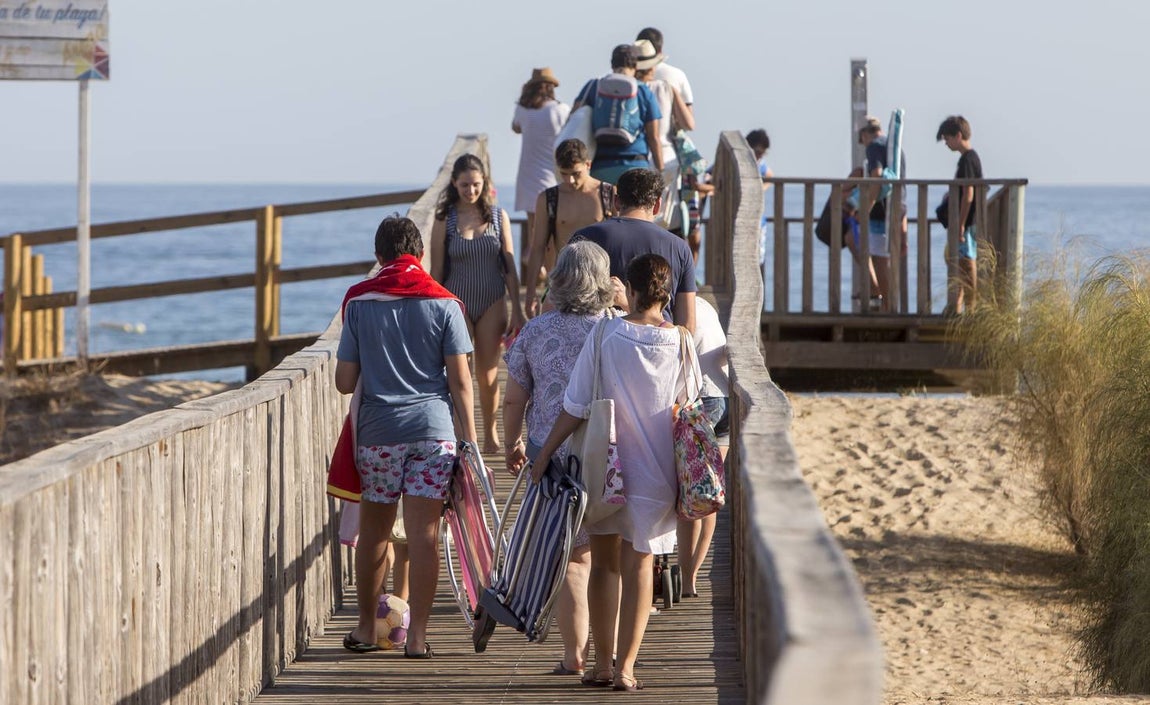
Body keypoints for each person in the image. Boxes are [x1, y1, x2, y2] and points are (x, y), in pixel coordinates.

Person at [531, 253, 699, 692]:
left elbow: (575, 404)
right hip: (659, 469)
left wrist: (545, 452)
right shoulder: (681, 341)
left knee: (604, 565)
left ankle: (601, 664)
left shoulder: (606, 333)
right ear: (665, 293)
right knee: (641, 564)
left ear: (631, 289)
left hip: (607, 466)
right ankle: (626, 668)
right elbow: (691, 402)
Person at [336, 215, 477, 659]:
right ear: (419, 255)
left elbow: (344, 381)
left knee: (375, 534)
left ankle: (364, 629)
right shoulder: (446, 304)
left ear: (379, 257)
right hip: (434, 435)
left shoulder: (360, 303)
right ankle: (416, 640)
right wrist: (469, 442)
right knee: (425, 537)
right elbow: (461, 381)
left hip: (378, 435)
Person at [503, 240, 617, 678]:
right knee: (611, 557)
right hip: (607, 453)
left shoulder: (535, 331)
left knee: (574, 557)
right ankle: (611, 654)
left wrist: (513, 443)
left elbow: (515, 400)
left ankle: (574, 655)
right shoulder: (617, 328)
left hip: (551, 458)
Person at [430, 153, 526, 453]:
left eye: (475, 185)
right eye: (464, 185)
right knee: (460, 374)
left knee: (486, 373)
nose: (470, 191)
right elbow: (436, 270)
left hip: (492, 301)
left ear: (484, 184)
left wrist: (518, 309)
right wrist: (432, 308)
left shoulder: (498, 216)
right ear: (454, 185)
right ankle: (463, 435)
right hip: (455, 304)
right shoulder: (444, 219)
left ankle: (491, 434)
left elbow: (509, 266)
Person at [570, 167, 696, 333]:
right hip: (659, 344)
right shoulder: (680, 247)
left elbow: (565, 302)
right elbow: (688, 326)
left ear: (616, 201)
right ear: (658, 204)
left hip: (599, 343)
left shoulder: (583, 238)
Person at [523, 139, 616, 317]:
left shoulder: (609, 194)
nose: (569, 180)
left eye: (575, 173)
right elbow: (537, 248)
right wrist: (529, 294)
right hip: (563, 283)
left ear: (588, 164)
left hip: (600, 285)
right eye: (563, 174)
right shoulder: (549, 198)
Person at [676, 295, 729, 597]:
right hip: (724, 394)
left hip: (701, 402)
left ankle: (685, 578)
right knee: (710, 493)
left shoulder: (673, 311)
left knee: (690, 493)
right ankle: (692, 574)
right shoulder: (707, 305)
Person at [572, 44, 663, 185]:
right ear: (635, 66)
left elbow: (574, 117)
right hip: (636, 166)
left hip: (601, 167)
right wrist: (660, 169)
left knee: (605, 207)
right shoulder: (643, 91)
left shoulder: (594, 86)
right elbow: (654, 137)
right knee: (634, 207)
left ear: (612, 64)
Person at [513, 67, 570, 281]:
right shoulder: (559, 109)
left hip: (527, 172)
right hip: (550, 172)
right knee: (550, 230)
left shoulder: (523, 110)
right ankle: (548, 272)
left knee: (534, 226)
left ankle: (535, 262)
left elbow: (515, 127)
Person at [632, 38, 694, 235]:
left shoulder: (628, 88)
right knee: (667, 223)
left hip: (635, 159)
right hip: (665, 159)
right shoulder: (666, 87)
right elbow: (689, 123)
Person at [691, 129, 772, 262]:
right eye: (757, 152)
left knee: (757, 257)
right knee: (737, 256)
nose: (759, 156)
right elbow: (709, 174)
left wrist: (760, 189)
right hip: (734, 217)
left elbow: (769, 175)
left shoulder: (760, 165)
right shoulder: (732, 162)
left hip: (756, 219)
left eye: (762, 154)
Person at [857, 115, 908, 312]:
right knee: (885, 258)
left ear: (865, 134)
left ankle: (887, 306)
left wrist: (866, 207)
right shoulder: (895, 148)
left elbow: (877, 176)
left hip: (881, 212)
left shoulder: (874, 146)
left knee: (879, 260)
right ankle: (888, 302)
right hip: (897, 209)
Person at [937, 115, 983, 313]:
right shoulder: (970, 159)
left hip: (967, 220)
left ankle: (970, 307)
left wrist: (961, 223)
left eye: (947, 139)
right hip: (968, 220)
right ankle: (957, 304)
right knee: (956, 259)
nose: (946, 144)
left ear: (958, 135)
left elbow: (969, 194)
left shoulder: (967, 160)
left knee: (966, 260)